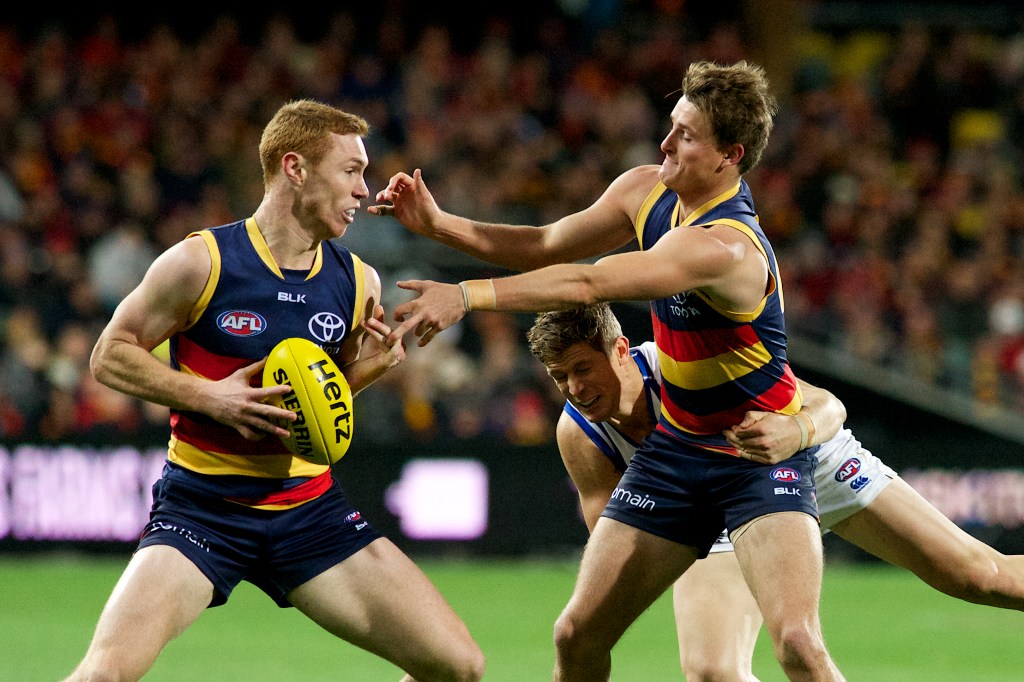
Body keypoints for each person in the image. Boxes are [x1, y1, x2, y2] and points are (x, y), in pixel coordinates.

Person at [373, 61, 845, 680]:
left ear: (730, 156)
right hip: (677, 451)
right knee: (576, 633)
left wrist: (465, 296)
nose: (666, 143)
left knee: (799, 646)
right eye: (671, 126)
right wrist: (440, 226)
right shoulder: (646, 191)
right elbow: (547, 243)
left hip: (756, 452)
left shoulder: (723, 246)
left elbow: (588, 280)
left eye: (687, 136)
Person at [67, 100, 485, 682]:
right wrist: (210, 397)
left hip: (308, 511)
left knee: (457, 666)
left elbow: (314, 410)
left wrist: (368, 371)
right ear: (296, 168)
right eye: (351, 171)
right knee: (103, 675)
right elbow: (109, 355)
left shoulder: (356, 281)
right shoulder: (202, 262)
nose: (363, 190)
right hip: (204, 510)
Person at [527, 303, 1024, 680]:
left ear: (619, 350)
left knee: (977, 575)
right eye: (559, 377)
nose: (573, 388)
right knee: (713, 670)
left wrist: (799, 432)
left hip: (806, 458)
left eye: (581, 368)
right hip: (707, 510)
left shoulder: (687, 361)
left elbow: (828, 406)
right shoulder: (579, 435)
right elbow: (614, 533)